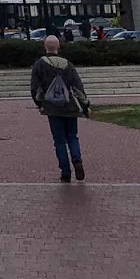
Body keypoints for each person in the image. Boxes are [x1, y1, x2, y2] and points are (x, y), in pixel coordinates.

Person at [31, 33, 91, 182]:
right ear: (59, 46)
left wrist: (40, 104)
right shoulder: (68, 64)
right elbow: (78, 88)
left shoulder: (39, 65)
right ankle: (77, 160)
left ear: (45, 47)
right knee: (72, 136)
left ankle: (65, 173)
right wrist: (85, 105)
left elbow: (35, 89)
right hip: (69, 106)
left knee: (59, 141)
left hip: (52, 107)